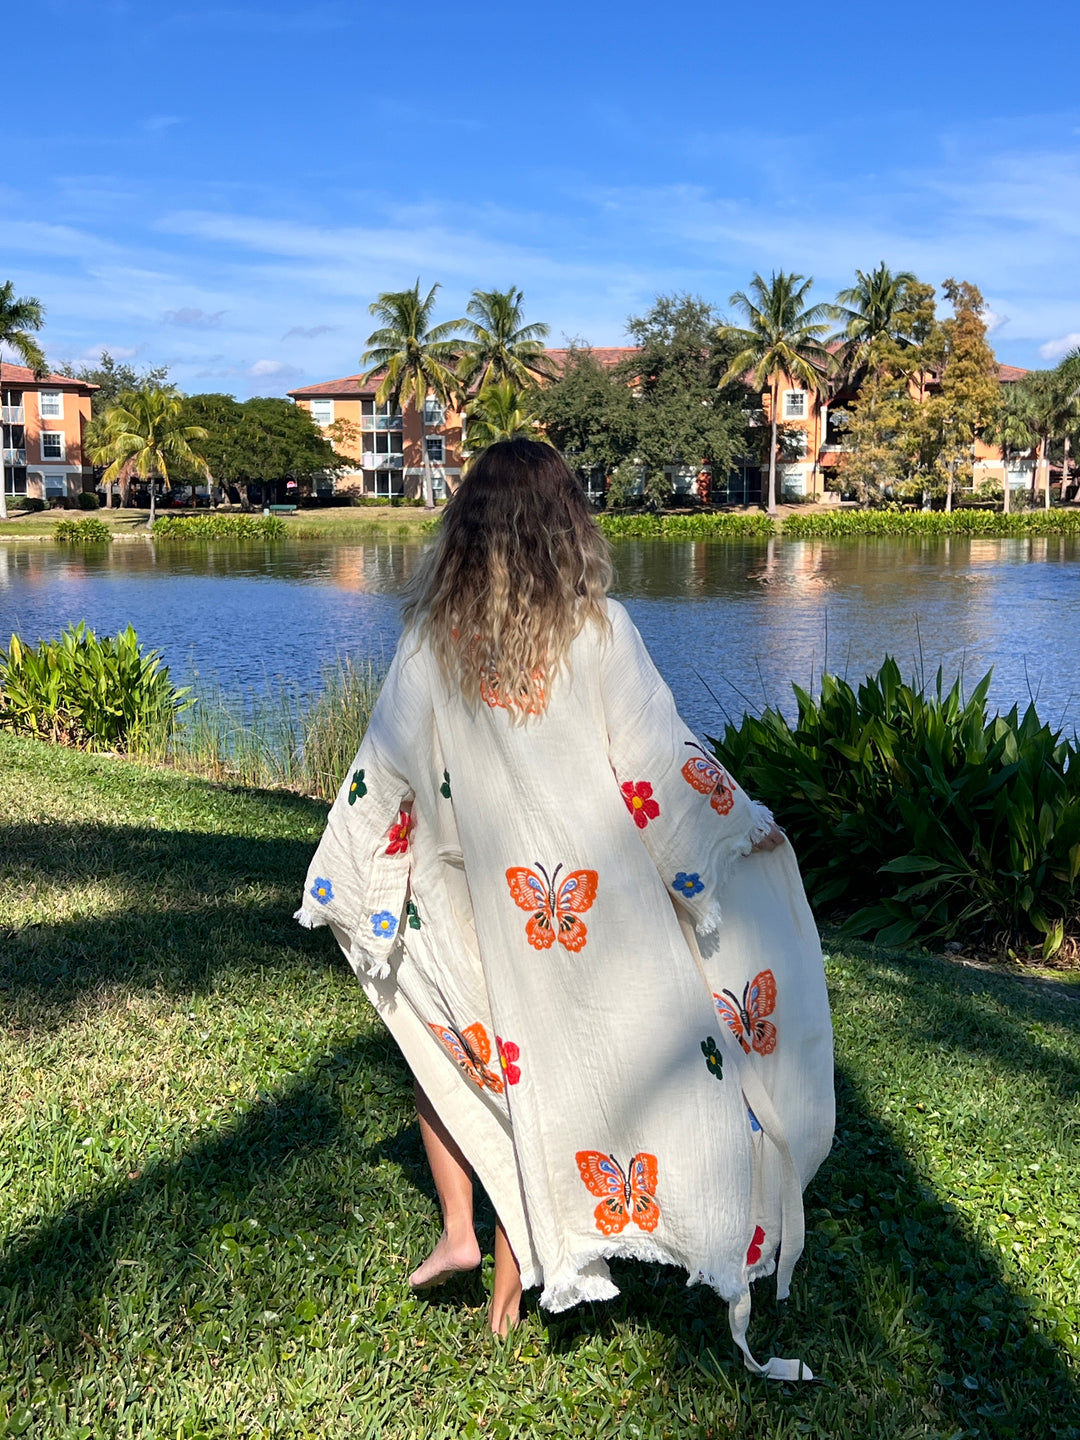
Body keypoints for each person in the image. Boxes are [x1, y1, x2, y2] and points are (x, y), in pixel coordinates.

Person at [296, 440, 834, 1376]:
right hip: (598, 905)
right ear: (567, 526)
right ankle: (526, 1248)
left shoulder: (432, 641)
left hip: (491, 900)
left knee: (458, 1036)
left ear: (464, 528)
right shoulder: (600, 631)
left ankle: (479, 1234)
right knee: (591, 1057)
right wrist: (739, 828)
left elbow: (385, 771)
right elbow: (656, 764)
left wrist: (352, 872)